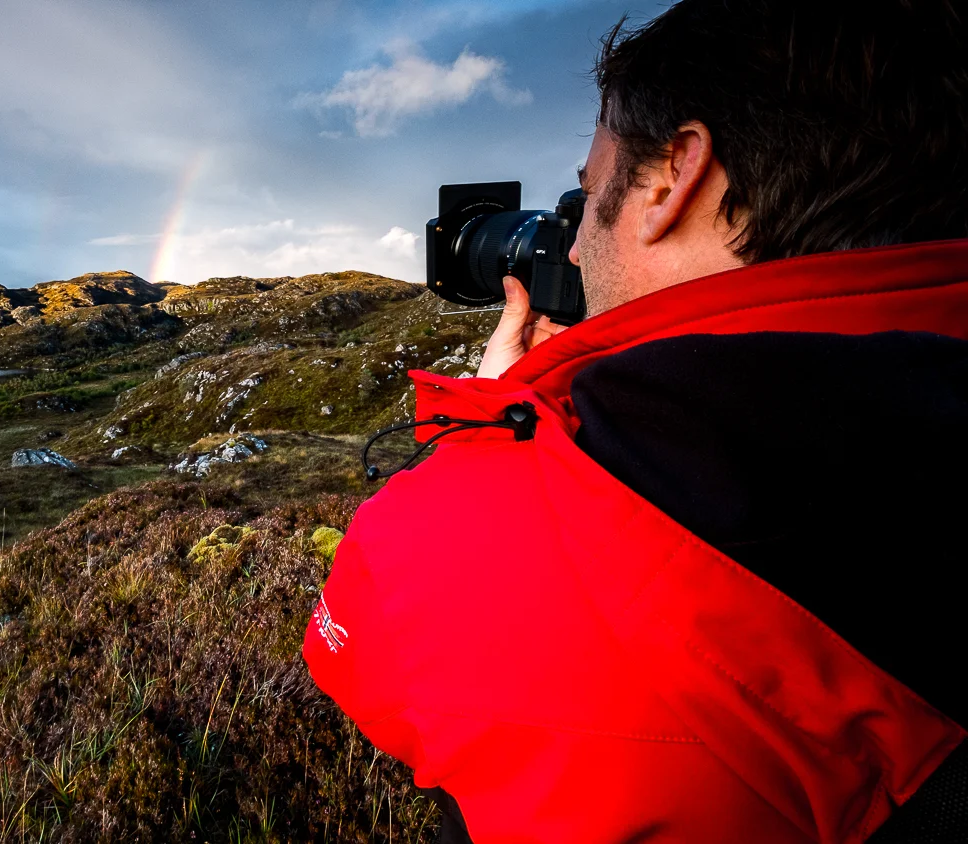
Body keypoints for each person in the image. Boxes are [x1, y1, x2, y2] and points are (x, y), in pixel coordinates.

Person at [303, 1, 968, 842]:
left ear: (670, 177)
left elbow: (351, 638)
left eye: (590, 192)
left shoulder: (490, 521)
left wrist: (495, 421)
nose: (574, 248)